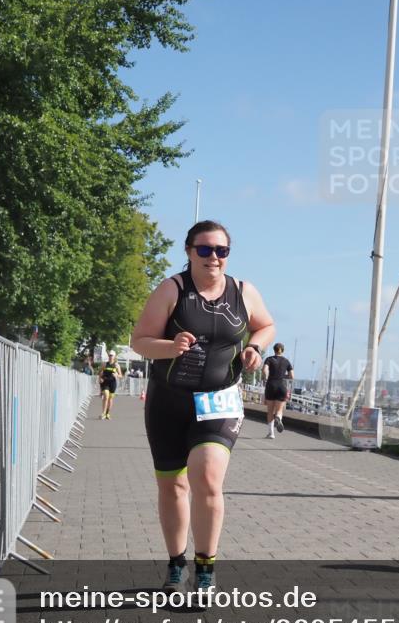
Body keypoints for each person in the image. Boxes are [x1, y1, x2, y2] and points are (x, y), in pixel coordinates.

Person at [132, 220, 275, 592]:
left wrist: (255, 348)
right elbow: (140, 341)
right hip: (168, 399)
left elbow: (266, 325)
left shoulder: (244, 291)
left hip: (219, 399)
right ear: (189, 251)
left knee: (207, 477)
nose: (214, 258)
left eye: (221, 251)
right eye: (205, 250)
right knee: (173, 487)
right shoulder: (172, 290)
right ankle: (176, 562)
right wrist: (170, 346)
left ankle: (206, 568)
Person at [262, 343, 294, 438]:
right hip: (281, 386)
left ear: (274, 350)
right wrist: (283, 376)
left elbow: (264, 370)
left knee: (270, 411)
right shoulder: (286, 361)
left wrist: (266, 377)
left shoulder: (269, 359)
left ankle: (271, 433)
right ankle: (278, 417)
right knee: (279, 410)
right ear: (282, 351)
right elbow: (292, 376)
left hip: (271, 385)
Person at [98, 350, 122, 419]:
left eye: (112, 355)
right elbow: (99, 373)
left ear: (114, 357)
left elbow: (121, 375)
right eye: (109, 355)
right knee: (106, 395)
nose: (110, 357)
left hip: (112, 383)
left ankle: (108, 413)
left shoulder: (116, 365)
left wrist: (117, 375)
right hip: (105, 383)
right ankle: (103, 413)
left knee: (110, 399)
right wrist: (100, 378)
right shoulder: (104, 364)